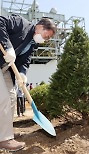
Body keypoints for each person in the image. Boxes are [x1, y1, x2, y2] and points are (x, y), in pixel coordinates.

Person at [0, 14, 56, 152]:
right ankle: (4, 140)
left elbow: (25, 61)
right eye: (46, 36)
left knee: (12, 97)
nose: (45, 40)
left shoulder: (32, 44)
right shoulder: (21, 23)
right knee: (4, 98)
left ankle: (6, 132)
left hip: (6, 68)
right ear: (39, 27)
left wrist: (23, 74)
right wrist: (8, 47)